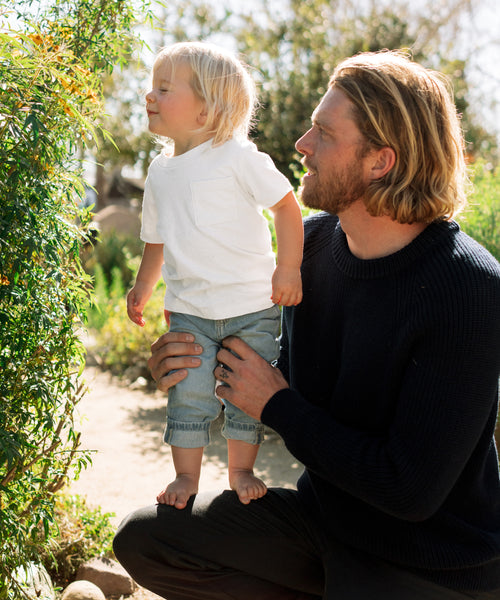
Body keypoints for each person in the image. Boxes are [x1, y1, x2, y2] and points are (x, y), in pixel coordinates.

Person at [114, 50, 500, 599]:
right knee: (149, 539)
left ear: (379, 162)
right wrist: (191, 362)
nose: (301, 145)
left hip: (431, 568)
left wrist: (278, 406)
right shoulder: (312, 249)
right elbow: (273, 368)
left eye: (323, 132)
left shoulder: (468, 288)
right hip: (325, 529)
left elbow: (408, 490)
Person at [126, 41, 303, 510]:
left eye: (163, 89)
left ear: (205, 112)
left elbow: (286, 206)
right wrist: (144, 287)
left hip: (252, 306)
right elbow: (157, 239)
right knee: (190, 393)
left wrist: (288, 268)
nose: (149, 97)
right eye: (151, 88)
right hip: (191, 312)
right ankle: (185, 477)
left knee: (245, 394)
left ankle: (241, 469)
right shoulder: (160, 172)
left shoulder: (238, 157)